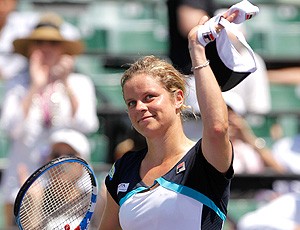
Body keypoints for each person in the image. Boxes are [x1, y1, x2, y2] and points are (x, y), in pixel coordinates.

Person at [98, 10, 241, 228]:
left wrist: (197, 51)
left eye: (149, 97)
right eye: (131, 103)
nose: (140, 107)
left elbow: (218, 128)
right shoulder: (124, 167)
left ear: (178, 98)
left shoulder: (203, 160)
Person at [0, 14, 99, 228]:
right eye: (39, 42)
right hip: (23, 177)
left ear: (63, 50)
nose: (46, 48)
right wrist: (36, 86)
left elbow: (87, 124)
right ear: (29, 49)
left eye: (53, 43)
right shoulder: (17, 84)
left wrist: (65, 83)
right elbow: (11, 128)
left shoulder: (79, 82)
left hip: (67, 183)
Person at [223, 92, 285, 174]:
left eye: (231, 113)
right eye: (223, 113)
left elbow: (280, 171)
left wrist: (248, 138)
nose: (227, 118)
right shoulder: (206, 145)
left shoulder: (249, 146)